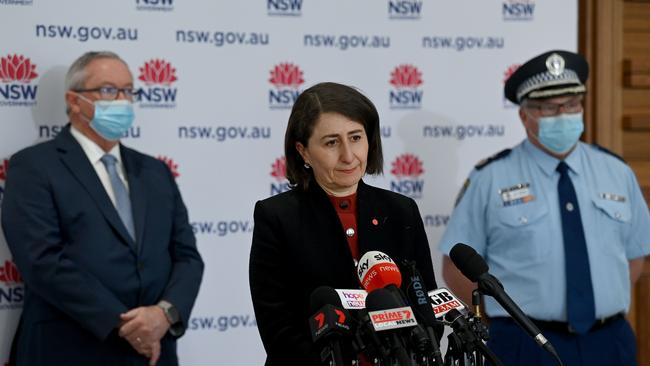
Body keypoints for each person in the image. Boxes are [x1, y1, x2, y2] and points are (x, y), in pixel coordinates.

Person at [439, 50, 650, 365]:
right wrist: (493, 321)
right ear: (525, 116)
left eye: (572, 105)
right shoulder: (490, 178)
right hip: (523, 343)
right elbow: (455, 267)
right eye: (550, 109)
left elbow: (634, 258)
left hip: (609, 342)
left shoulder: (616, 171)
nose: (564, 115)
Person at [1, 51, 204, 366]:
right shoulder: (34, 166)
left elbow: (187, 256)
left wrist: (164, 314)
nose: (122, 101)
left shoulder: (155, 172)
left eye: (128, 90)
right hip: (70, 348)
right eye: (109, 90)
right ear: (74, 100)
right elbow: (41, 260)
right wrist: (124, 324)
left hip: (154, 351)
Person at [249, 82, 438, 365]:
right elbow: (278, 328)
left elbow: (426, 307)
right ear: (303, 152)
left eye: (355, 137)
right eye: (331, 142)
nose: (349, 156)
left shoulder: (401, 211)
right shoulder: (277, 216)